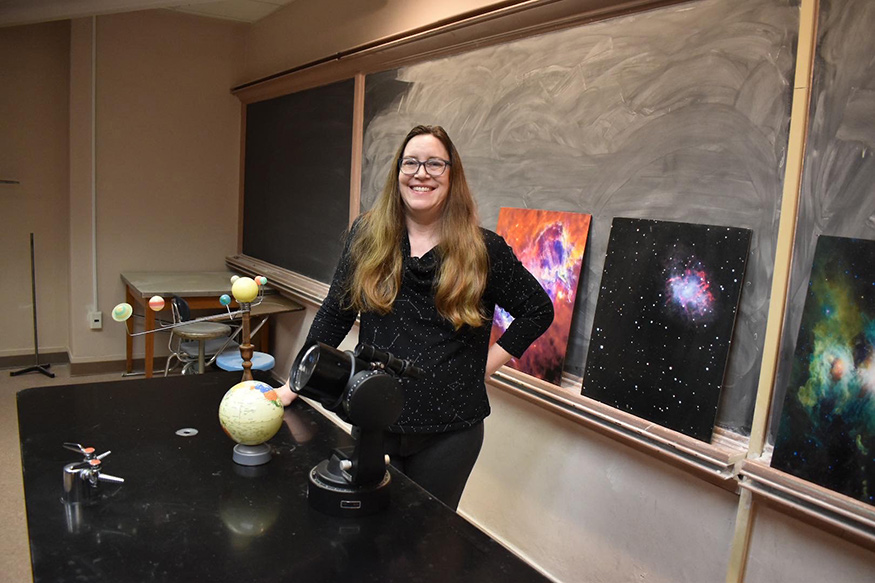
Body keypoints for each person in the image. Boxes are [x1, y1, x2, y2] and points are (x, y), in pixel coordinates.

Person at [277, 125, 553, 510]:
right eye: (411, 163)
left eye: (435, 164)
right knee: (371, 535)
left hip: (451, 432)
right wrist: (294, 384)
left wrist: (485, 367)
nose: (421, 173)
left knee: (425, 547)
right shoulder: (367, 236)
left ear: (452, 176)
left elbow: (538, 310)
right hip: (374, 417)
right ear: (398, 173)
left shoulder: (483, 250)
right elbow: (334, 314)